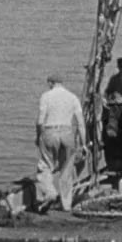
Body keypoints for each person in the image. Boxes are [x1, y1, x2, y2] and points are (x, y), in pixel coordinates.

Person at [35, 70, 86, 211]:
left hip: (50, 131)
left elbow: (40, 121)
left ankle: (50, 193)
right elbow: (81, 123)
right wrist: (84, 144)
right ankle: (66, 205)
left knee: (45, 166)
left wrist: (38, 136)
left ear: (51, 83)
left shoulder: (46, 96)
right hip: (67, 132)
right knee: (66, 170)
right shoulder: (72, 97)